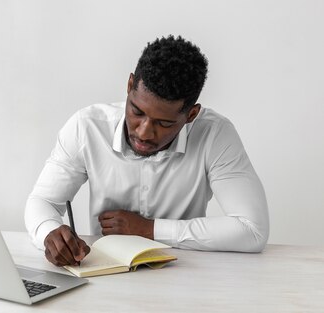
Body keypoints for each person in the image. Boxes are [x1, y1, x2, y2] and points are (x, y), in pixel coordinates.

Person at [24, 35, 269, 267]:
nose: (144, 132)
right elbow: (43, 200)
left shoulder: (215, 134)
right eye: (137, 112)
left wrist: (149, 229)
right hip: (103, 274)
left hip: (185, 278)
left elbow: (252, 230)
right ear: (130, 85)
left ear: (191, 115)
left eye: (164, 124)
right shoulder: (86, 127)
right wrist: (49, 233)